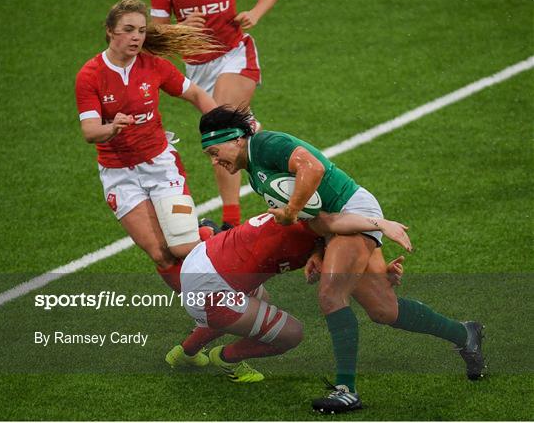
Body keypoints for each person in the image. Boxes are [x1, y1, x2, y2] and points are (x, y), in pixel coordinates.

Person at [199, 106, 486, 413]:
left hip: (354, 211)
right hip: (338, 223)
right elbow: (317, 217)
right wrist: (319, 250)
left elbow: (313, 170)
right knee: (384, 309)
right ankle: (465, 333)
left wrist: (291, 212)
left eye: (216, 152)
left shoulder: (268, 144)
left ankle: (346, 389)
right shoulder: (255, 175)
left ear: (237, 140)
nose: (215, 161)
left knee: (331, 293)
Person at [75, 0, 219, 289]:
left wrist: (225, 127)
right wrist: (111, 127)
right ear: (110, 31)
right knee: (161, 255)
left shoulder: (154, 66)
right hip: (119, 175)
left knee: (182, 248)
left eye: (141, 30)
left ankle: (216, 241)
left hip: (160, 166)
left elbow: (197, 95)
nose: (136, 37)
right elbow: (90, 131)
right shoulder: (90, 75)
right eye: (128, 29)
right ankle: (207, 312)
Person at [175, 211, 410, 382]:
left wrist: (378, 274)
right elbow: (343, 273)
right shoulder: (311, 232)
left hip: (203, 259)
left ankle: (185, 353)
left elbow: (332, 234)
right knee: (291, 334)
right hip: (212, 290)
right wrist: (380, 225)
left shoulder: (293, 214)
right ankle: (226, 358)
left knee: (259, 301)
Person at [150, 0, 279, 229]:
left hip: (234, 54)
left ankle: (230, 223)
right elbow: (153, 33)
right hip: (197, 69)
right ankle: (258, 138)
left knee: (221, 136)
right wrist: (180, 28)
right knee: (235, 136)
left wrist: (254, 13)